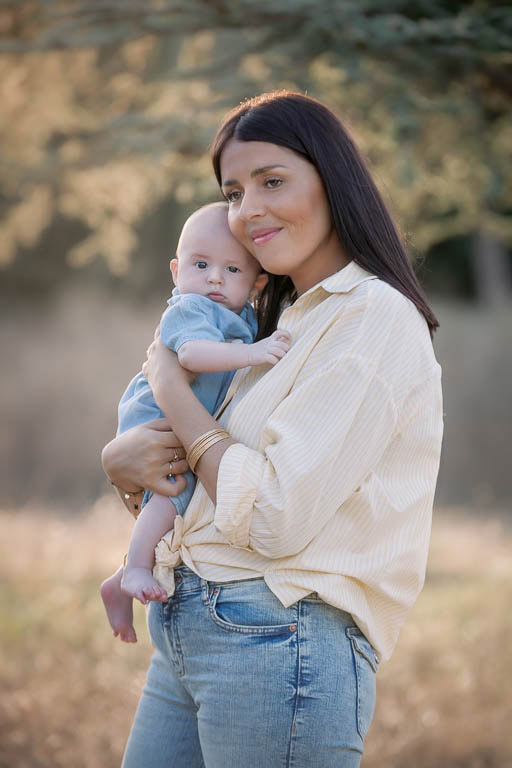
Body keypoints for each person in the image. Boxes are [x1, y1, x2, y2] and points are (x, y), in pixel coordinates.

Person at [101, 91, 443, 767]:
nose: (247, 209)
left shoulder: (370, 315)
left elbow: (275, 516)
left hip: (280, 636)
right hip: (190, 624)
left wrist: (171, 388)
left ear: (333, 180)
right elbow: (207, 492)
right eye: (233, 191)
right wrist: (124, 466)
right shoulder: (278, 327)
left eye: (273, 181)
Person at [101, 202, 290, 642]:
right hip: (154, 416)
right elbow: (191, 355)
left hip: (179, 416)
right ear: (176, 269)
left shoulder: (240, 317)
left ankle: (120, 577)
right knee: (171, 496)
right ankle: (137, 569)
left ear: (257, 282)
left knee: (175, 505)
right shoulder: (190, 309)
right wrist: (254, 354)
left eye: (232, 270)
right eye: (200, 264)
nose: (214, 279)